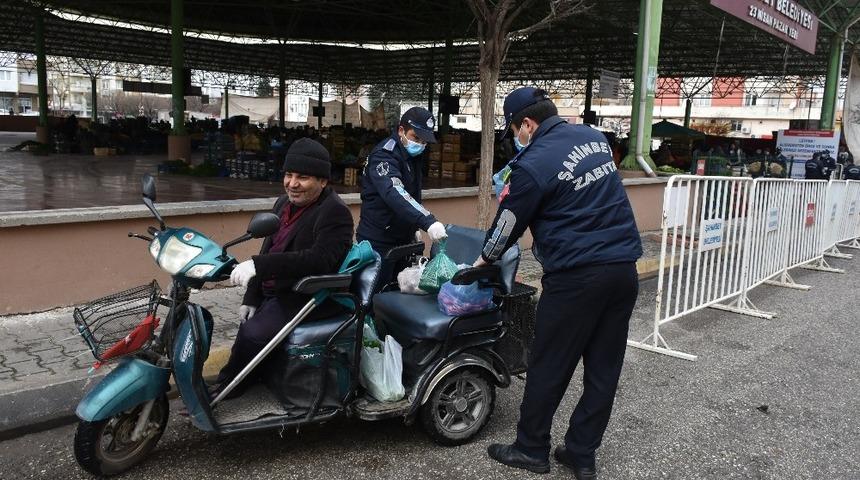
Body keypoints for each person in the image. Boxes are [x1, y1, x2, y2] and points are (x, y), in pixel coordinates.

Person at [477, 87, 642, 479]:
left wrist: (480, 261)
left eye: (515, 129)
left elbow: (505, 230)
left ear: (527, 124)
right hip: (623, 270)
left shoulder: (532, 164)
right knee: (603, 370)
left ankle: (531, 448)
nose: (516, 137)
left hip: (577, 277)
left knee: (549, 363)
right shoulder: (594, 137)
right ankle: (582, 454)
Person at [213, 138, 354, 397]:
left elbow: (319, 259)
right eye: (288, 175)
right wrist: (252, 295)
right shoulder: (283, 204)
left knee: (253, 333)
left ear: (323, 181)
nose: (292, 183)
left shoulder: (335, 212)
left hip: (308, 295)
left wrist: (258, 266)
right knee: (248, 322)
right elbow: (270, 248)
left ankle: (227, 388)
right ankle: (251, 376)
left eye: (303, 177)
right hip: (276, 289)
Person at [356, 106, 448, 287]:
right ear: (401, 130)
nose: (420, 145)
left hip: (402, 239)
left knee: (400, 292)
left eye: (424, 141)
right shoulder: (384, 155)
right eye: (416, 138)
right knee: (375, 295)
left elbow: (413, 193)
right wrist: (426, 221)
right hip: (379, 239)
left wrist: (412, 226)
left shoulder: (411, 155)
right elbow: (395, 192)